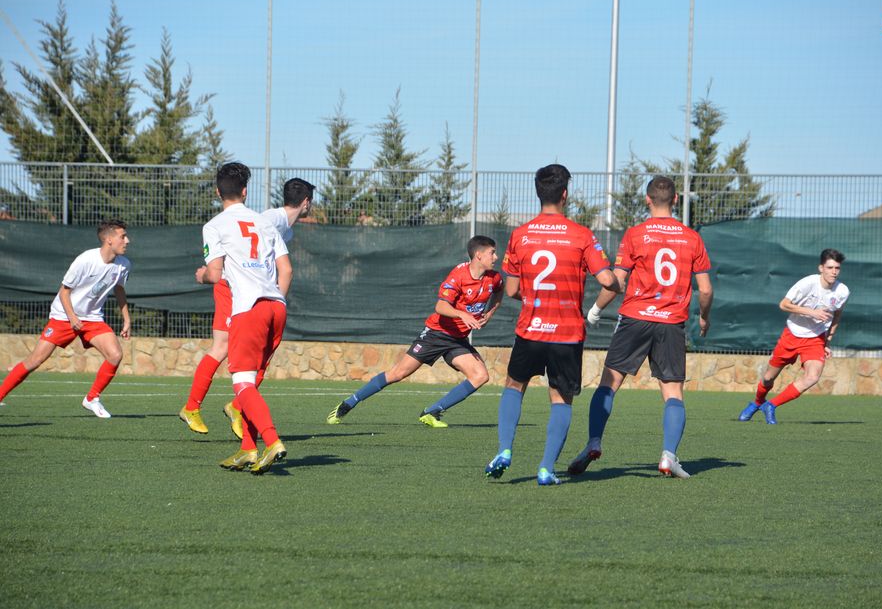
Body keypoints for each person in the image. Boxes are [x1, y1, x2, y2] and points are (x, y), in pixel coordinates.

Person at [567, 175, 713, 480]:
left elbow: (617, 281)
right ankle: (668, 455)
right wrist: (703, 317)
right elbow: (706, 290)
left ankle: (594, 441)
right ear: (676, 200)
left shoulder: (635, 234)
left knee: (609, 384)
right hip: (671, 323)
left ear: (647, 200)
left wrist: (595, 309)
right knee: (672, 392)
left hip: (635, 318)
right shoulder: (692, 238)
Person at [484, 164, 620, 486]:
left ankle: (504, 449)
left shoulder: (520, 235)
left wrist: (537, 297)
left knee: (514, 386)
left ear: (538, 193)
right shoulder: (582, 235)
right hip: (567, 333)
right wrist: (612, 286)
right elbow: (608, 281)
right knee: (561, 399)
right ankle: (546, 467)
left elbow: (512, 290)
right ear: (565, 194)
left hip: (531, 329)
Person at [179, 177, 314, 436]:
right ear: (306, 202)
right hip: (233, 286)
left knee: (259, 354)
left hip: (253, 295)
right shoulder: (270, 219)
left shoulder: (285, 228)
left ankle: (237, 406)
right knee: (222, 347)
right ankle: (193, 407)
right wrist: (274, 299)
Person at [326, 235, 503, 427]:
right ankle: (348, 404)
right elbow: (441, 306)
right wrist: (463, 315)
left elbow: (499, 291)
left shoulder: (494, 278)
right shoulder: (458, 276)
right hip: (436, 334)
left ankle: (432, 412)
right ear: (478, 255)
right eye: (492, 253)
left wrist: (489, 313)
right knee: (397, 374)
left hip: (457, 340)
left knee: (480, 376)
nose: (496, 257)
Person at [196, 162, 292, 474]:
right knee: (251, 384)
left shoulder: (215, 225)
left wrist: (201, 275)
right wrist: (274, 299)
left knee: (242, 384)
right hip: (276, 307)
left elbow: (214, 274)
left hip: (248, 309)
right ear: (246, 191)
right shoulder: (265, 223)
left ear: (217, 192)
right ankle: (248, 449)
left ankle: (272, 441)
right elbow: (286, 269)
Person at [0, 220, 132, 417]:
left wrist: (126, 319)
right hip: (63, 316)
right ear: (109, 240)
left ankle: (91, 399)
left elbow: (119, 289)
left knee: (115, 355)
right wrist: (72, 317)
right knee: (35, 360)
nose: (127, 241)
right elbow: (64, 291)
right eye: (123, 236)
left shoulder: (124, 265)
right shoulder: (85, 260)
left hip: (92, 318)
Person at [738, 249, 849, 425]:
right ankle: (758, 402)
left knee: (812, 377)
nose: (834, 272)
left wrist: (827, 341)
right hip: (792, 335)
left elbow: (837, 315)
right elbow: (783, 305)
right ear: (821, 268)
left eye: (837, 268)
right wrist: (811, 312)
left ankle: (771, 405)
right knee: (768, 378)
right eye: (830, 267)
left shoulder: (842, 291)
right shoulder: (807, 283)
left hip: (816, 339)